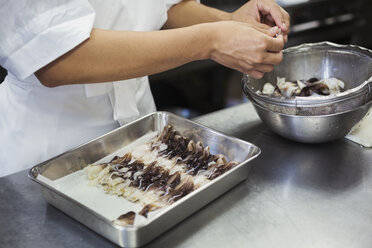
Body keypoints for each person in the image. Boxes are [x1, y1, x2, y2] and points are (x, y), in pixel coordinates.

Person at [0, 0, 290, 177]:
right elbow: (56, 59)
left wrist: (230, 22)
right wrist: (211, 41)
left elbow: (166, 6)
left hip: (140, 134)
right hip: (52, 149)